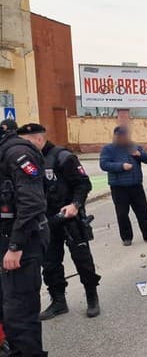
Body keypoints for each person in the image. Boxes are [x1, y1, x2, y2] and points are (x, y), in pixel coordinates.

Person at [18, 123, 101, 320]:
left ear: (39, 139)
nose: (23, 147)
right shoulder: (27, 161)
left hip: (70, 218)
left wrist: (75, 204)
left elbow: (83, 184)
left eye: (27, 142)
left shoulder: (63, 157)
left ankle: (92, 297)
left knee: (83, 261)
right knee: (50, 264)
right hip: (46, 221)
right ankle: (58, 302)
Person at [0, 123, 49, 356]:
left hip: (22, 244)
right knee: (8, 312)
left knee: (19, 315)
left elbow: (32, 204)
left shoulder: (17, 153)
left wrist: (16, 246)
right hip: (7, 241)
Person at [100, 126, 147, 246]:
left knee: (143, 211)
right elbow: (104, 164)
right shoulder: (108, 149)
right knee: (122, 214)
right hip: (118, 187)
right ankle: (126, 238)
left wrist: (139, 154)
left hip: (136, 185)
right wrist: (121, 166)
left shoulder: (134, 146)